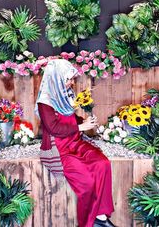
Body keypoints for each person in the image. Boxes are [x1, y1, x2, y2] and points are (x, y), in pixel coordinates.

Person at [35, 59, 116, 227]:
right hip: (60, 149)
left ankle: (100, 217)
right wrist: (80, 126)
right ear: (56, 78)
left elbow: (69, 119)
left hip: (75, 143)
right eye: (68, 79)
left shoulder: (66, 94)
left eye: (72, 78)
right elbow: (54, 128)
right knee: (86, 183)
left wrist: (84, 121)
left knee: (103, 164)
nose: (72, 82)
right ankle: (89, 223)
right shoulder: (45, 102)